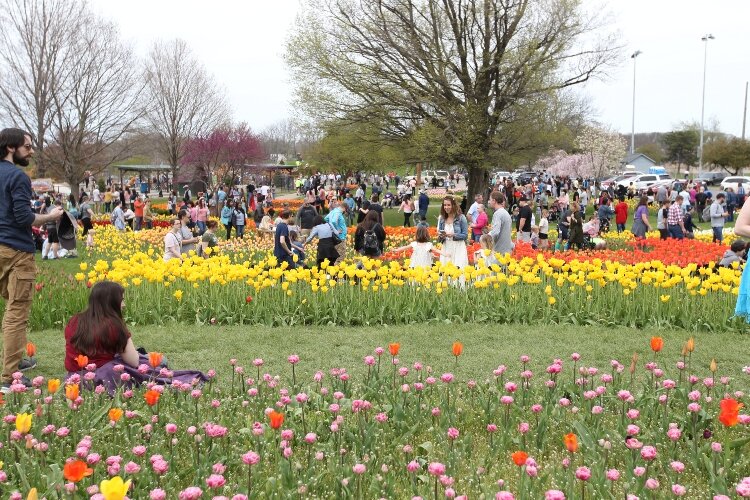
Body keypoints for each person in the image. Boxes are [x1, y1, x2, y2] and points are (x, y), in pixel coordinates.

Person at [0, 128, 64, 389]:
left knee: (11, 305)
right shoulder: (17, 176)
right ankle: (9, 376)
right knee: (17, 311)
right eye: (27, 146)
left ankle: (12, 360)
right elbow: (24, 218)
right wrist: (51, 216)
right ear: (11, 148)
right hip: (16, 250)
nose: (31, 151)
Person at [64, 280, 207, 393]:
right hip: (105, 377)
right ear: (112, 302)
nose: (124, 305)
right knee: (160, 360)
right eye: (122, 300)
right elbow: (133, 361)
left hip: (75, 381)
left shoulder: (75, 321)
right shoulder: (113, 325)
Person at [437, 196, 469, 268]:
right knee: (446, 268)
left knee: (458, 268)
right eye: (444, 205)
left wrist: (453, 235)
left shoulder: (461, 218)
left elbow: (465, 235)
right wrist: (441, 235)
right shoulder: (442, 218)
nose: (446, 207)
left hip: (458, 247)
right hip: (446, 246)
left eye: (448, 205)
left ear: (453, 205)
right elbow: (440, 235)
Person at [488, 192, 514, 256]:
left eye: (490, 199)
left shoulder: (498, 214)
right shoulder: (506, 213)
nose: (489, 202)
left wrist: (486, 237)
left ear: (494, 201)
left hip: (499, 250)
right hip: (507, 249)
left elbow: (495, 232)